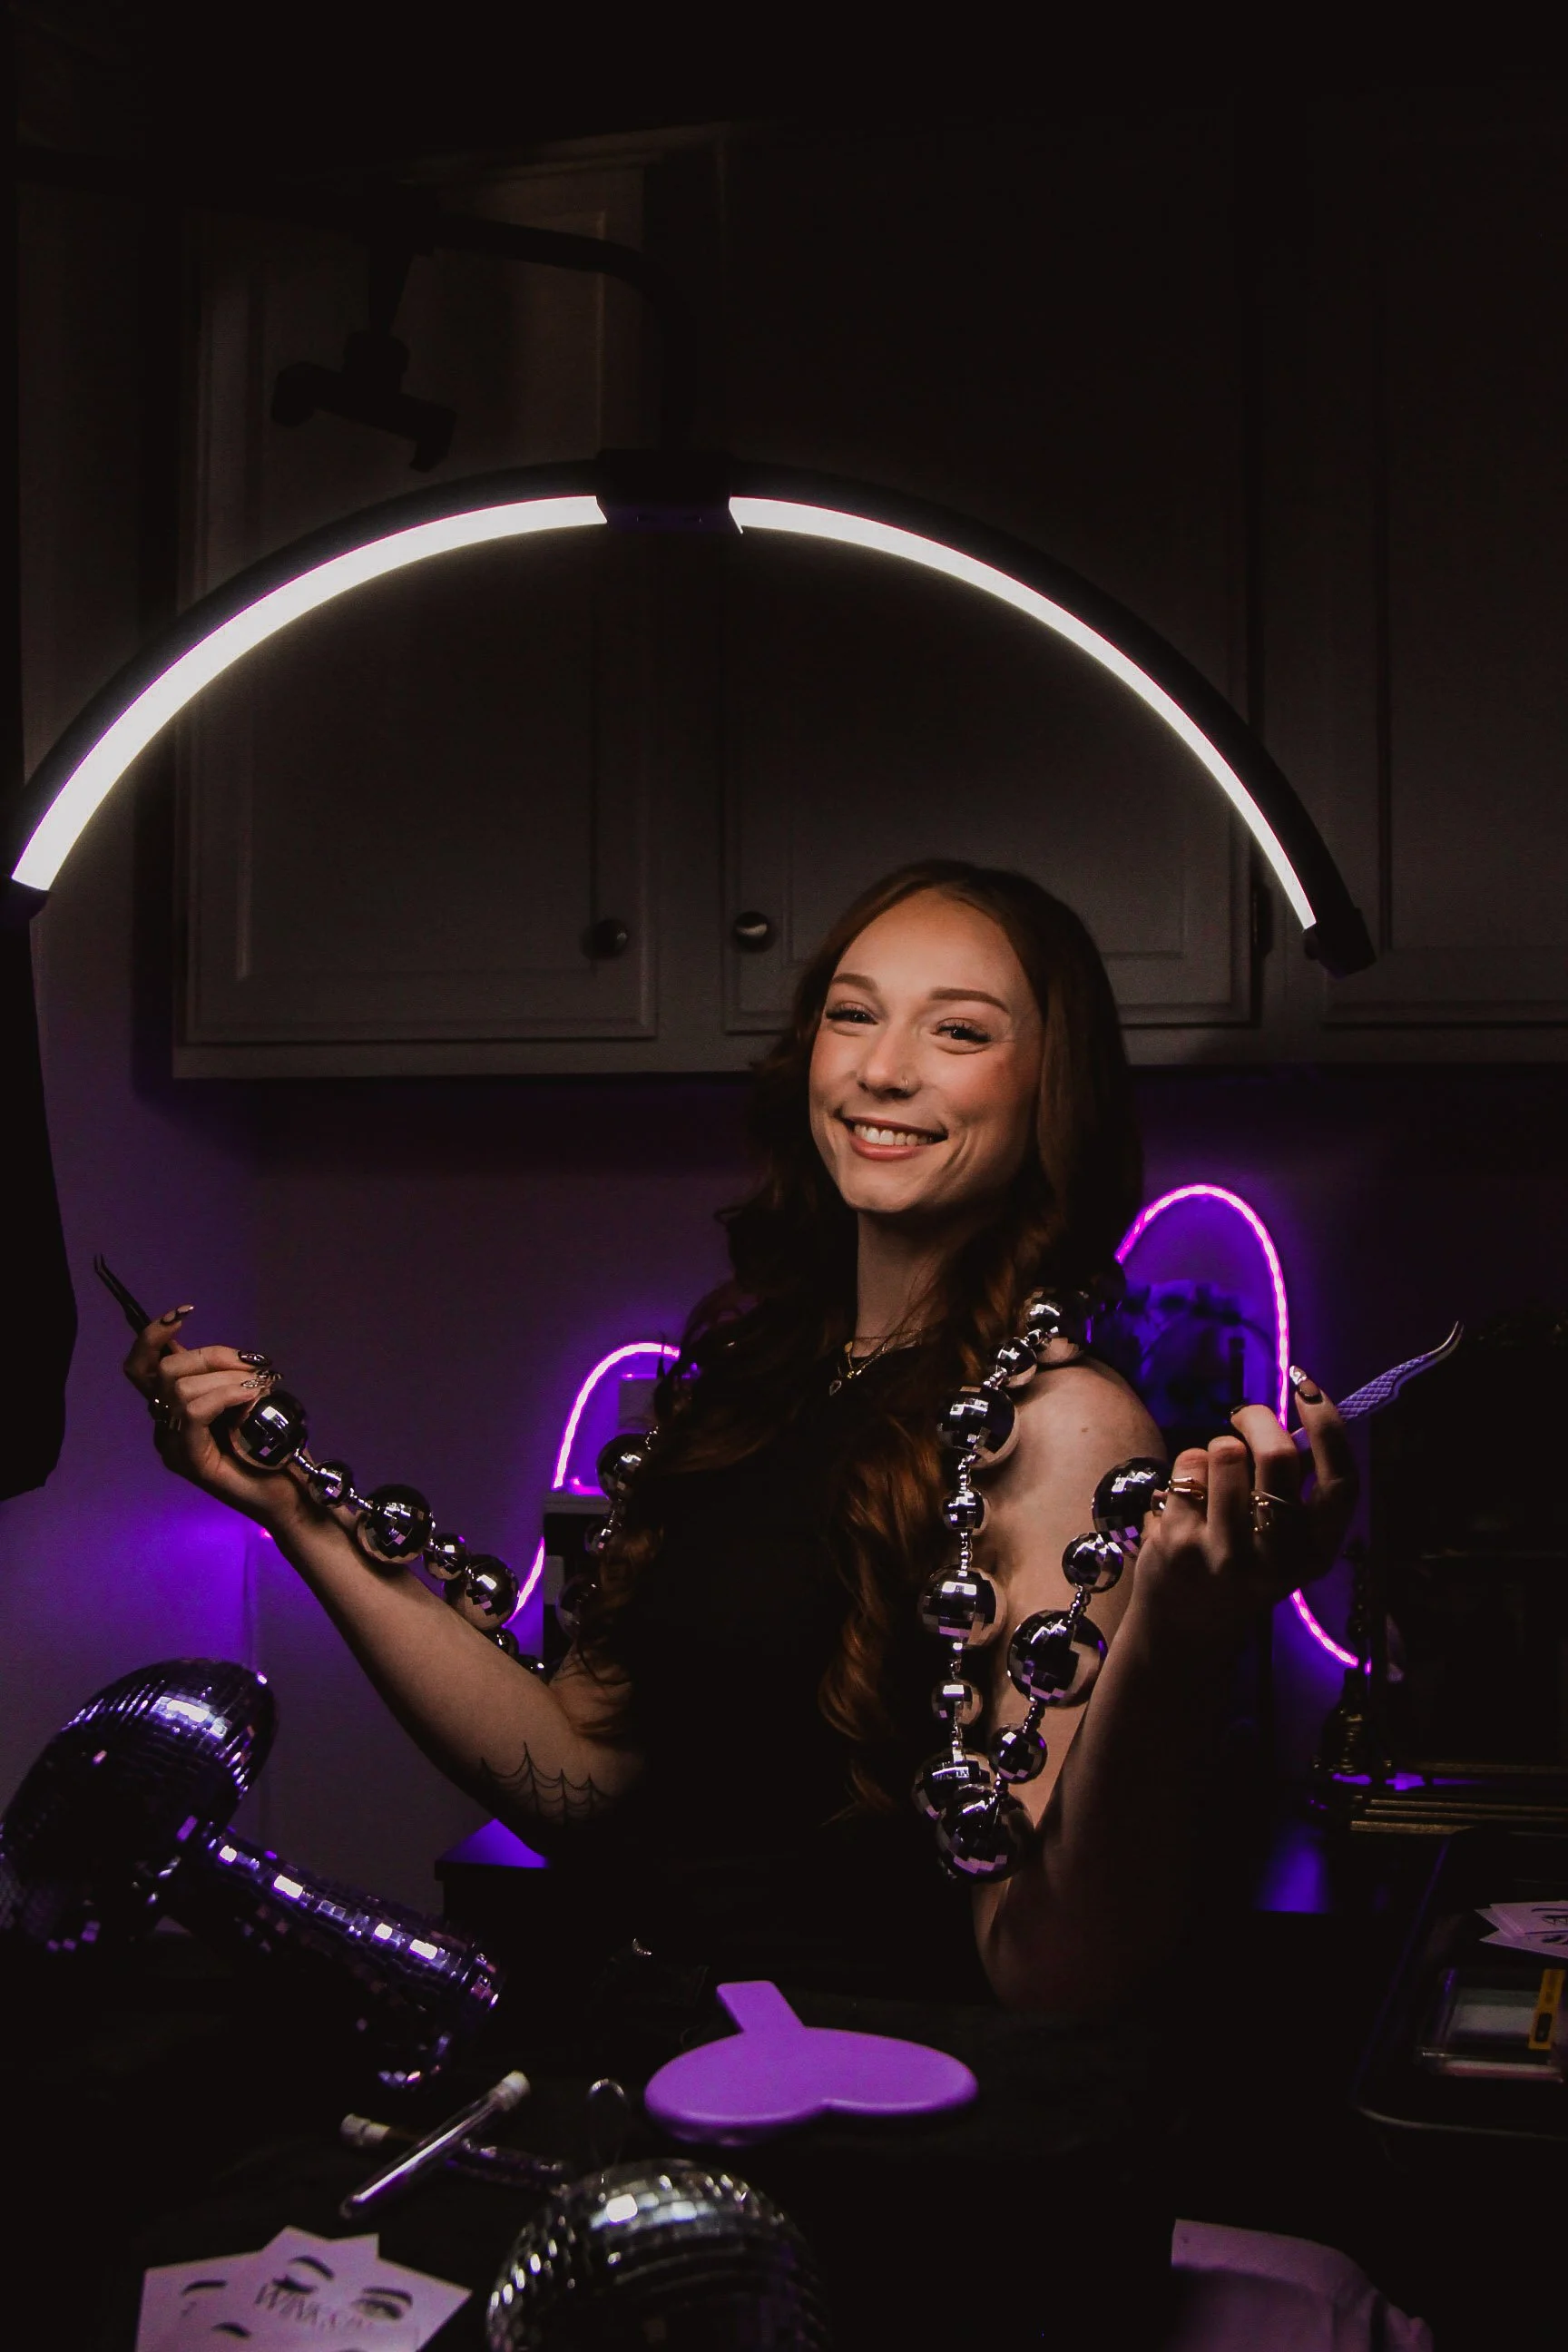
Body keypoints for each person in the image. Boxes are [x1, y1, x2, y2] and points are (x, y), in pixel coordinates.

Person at [124, 858, 1355, 2346]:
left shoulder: (1064, 1426)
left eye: (960, 1032)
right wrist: (288, 1508)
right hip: (675, 2110)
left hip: (919, 2171)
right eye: (854, 1015)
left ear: (1051, 1099)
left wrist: (1178, 1634)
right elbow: (572, 1776)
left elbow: (1055, 1963)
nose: (885, 1069)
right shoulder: (746, 1392)